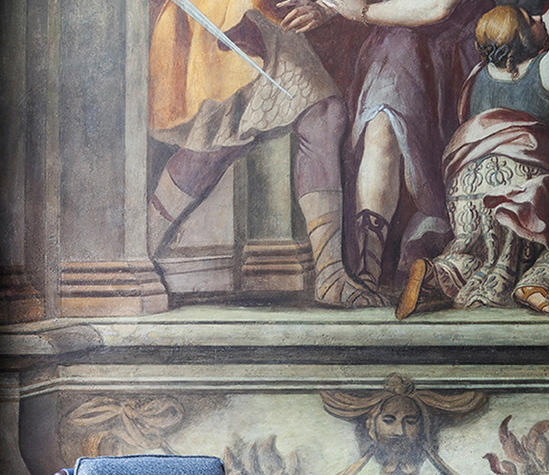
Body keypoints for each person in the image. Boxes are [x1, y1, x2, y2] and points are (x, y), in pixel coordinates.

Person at [394, 0, 549, 318]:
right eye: (530, 19)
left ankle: (437, 274)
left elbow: (533, 40)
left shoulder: (479, 75)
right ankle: (541, 282)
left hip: (468, 193)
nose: (539, 17)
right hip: (523, 185)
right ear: (523, 38)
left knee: (484, 251)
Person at [148, 0, 386, 307]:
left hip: (263, 14)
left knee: (322, 116)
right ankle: (141, 248)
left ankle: (330, 274)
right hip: (218, 13)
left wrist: (324, 7)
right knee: (214, 146)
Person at [289, 0, 492, 298]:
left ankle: (428, 265)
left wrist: (359, 12)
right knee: (381, 128)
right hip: (395, 45)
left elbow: (438, 8)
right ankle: (367, 270)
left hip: (456, 52)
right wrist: (329, 7)